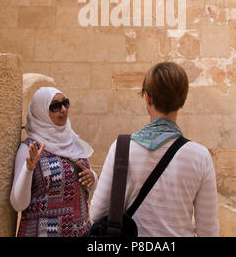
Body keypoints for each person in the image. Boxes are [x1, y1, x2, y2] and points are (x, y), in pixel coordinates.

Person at [90, 61, 219, 237]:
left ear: (148, 97)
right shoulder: (200, 156)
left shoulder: (121, 148)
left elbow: (97, 213)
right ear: (182, 99)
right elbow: (208, 231)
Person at [10, 87, 97, 237]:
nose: (63, 109)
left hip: (81, 231)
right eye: (55, 106)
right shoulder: (30, 148)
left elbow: (87, 187)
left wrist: (92, 177)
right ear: (41, 111)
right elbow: (18, 204)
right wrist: (28, 170)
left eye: (65, 103)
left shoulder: (73, 141)